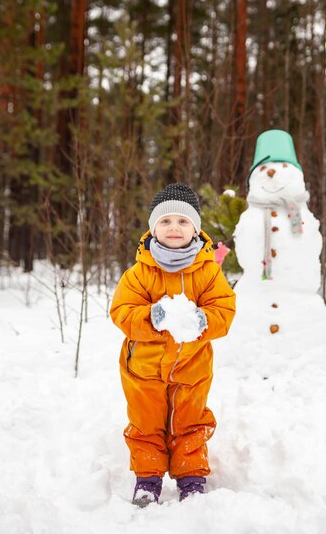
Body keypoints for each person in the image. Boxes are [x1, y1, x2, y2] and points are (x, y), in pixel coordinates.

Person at [110, 183, 236, 506]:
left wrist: (203, 320)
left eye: (183, 221)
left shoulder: (207, 271)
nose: (174, 228)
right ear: (153, 229)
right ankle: (147, 478)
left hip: (192, 366)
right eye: (165, 222)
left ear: (196, 228)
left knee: (190, 420)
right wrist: (152, 316)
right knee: (146, 421)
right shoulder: (140, 272)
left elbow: (224, 308)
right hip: (144, 368)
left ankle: (191, 474)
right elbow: (121, 311)